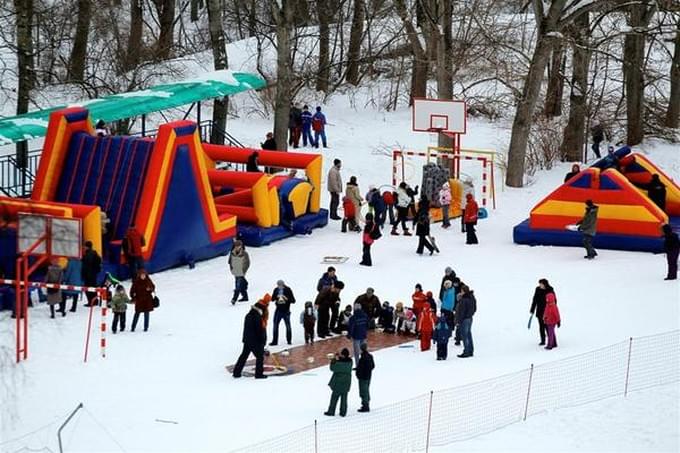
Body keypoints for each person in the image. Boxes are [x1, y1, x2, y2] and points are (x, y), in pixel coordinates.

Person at [233, 299, 269, 379]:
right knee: (260, 357)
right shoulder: (257, 317)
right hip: (255, 341)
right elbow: (259, 330)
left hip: (247, 339)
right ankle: (259, 374)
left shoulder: (248, 315)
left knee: (244, 355)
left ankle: (236, 372)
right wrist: (262, 341)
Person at [324, 348, 352, 417]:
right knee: (344, 398)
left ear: (343, 355)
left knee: (334, 397)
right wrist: (339, 357)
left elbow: (332, 368)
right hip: (347, 382)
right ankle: (343, 412)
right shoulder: (350, 362)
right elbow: (343, 360)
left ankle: (331, 411)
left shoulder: (339, 364)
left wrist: (333, 359)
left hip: (339, 383)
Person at [269, 280, 296, 346]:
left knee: (288, 326)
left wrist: (286, 298)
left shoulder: (288, 290)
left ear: (283, 285)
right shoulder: (276, 290)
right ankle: (275, 341)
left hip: (286, 310)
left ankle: (289, 340)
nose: (280, 287)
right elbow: (272, 299)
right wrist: (276, 297)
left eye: (281, 286)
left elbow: (293, 300)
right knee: (275, 325)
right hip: (278, 310)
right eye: (278, 286)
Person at [530, 278, 553, 346]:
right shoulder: (537, 289)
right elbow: (534, 300)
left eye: (541, 284)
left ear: (545, 284)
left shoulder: (550, 290)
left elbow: (554, 300)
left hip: (547, 311)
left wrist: (552, 310)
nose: (540, 285)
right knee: (541, 326)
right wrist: (532, 309)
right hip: (539, 311)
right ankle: (543, 340)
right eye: (539, 284)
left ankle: (550, 340)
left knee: (547, 326)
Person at [456, 284, 476, 358]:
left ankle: (466, 351)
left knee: (465, 336)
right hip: (470, 318)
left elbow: (461, 312)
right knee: (468, 334)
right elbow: (475, 308)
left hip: (464, 319)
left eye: (461, 291)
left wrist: (459, 321)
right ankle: (470, 350)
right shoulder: (472, 298)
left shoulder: (464, 300)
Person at [228, 240, 250, 304]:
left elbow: (247, 263)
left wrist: (243, 270)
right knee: (241, 283)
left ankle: (234, 299)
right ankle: (245, 296)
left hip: (241, 271)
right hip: (235, 271)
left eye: (238, 246)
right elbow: (230, 261)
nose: (237, 247)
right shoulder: (232, 253)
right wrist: (232, 269)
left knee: (237, 285)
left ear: (241, 246)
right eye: (236, 246)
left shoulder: (245, 254)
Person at [81, 241, 101, 307]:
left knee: (88, 288)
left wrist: (83, 273)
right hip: (93, 274)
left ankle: (91, 302)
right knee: (93, 288)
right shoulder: (94, 253)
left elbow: (86, 265)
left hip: (89, 274)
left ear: (87, 246)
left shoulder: (88, 254)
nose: (83, 247)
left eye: (84, 246)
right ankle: (95, 301)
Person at [355, 343, 375, 413]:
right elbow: (373, 366)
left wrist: (358, 374)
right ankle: (367, 402)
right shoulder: (370, 356)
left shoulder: (362, 358)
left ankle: (365, 405)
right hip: (368, 376)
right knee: (366, 390)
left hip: (363, 378)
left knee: (363, 391)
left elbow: (360, 368)